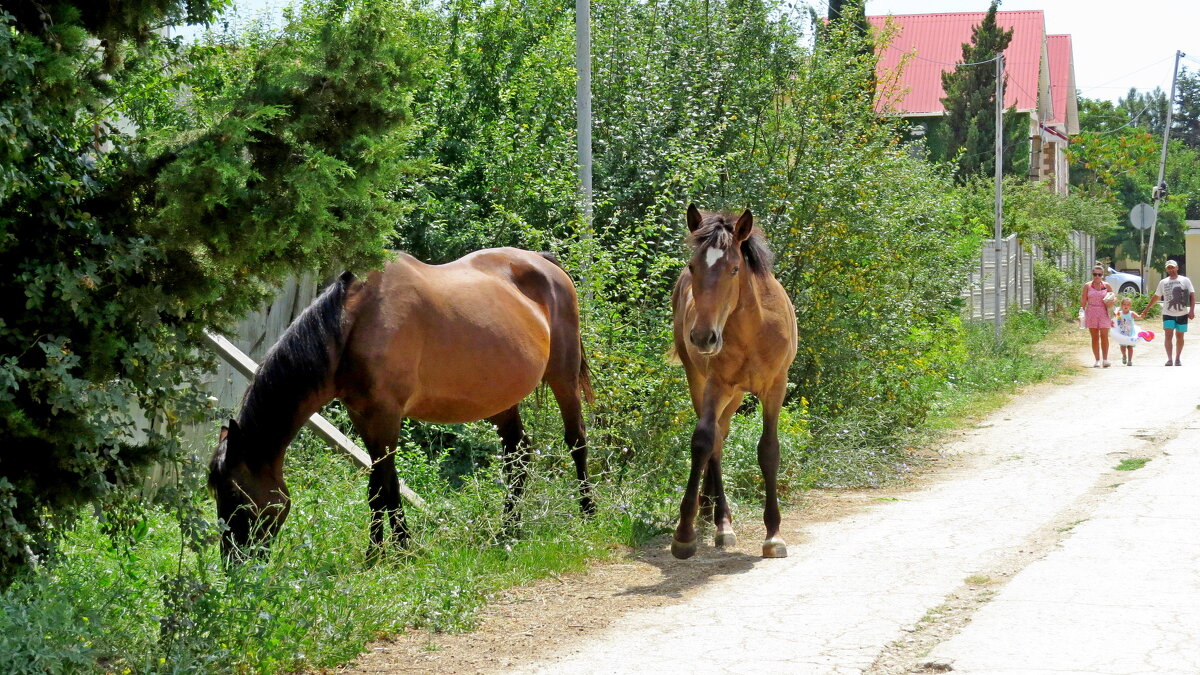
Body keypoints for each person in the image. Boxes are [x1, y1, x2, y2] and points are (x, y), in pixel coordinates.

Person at [1141, 259, 1195, 366]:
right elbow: (1156, 297)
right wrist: (1147, 309)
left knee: (1180, 337)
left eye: (1172, 267)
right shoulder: (1163, 282)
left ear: (1177, 268)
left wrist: (1192, 310)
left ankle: (1178, 358)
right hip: (1168, 314)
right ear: (1166, 269)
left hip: (1182, 313)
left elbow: (1192, 295)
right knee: (1168, 336)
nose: (1171, 269)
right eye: (1169, 267)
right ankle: (1169, 359)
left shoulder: (1185, 280)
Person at [1080, 263, 1115, 368]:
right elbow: (1083, 300)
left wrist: (1111, 302)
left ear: (1102, 275)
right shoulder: (1087, 286)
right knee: (1094, 337)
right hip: (1091, 311)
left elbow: (1113, 296)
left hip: (1104, 312)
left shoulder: (1106, 286)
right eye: (1095, 274)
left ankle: (1105, 359)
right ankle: (1097, 360)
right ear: (1092, 274)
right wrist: (1081, 313)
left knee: (1104, 335)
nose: (1097, 277)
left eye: (1099, 275)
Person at [1112, 296, 1143, 366]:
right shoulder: (1119, 313)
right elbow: (1115, 319)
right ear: (1122, 305)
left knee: (1130, 347)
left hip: (1130, 333)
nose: (1126, 306)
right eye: (1124, 304)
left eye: (1128, 305)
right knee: (1122, 346)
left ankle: (1129, 360)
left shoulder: (1131, 313)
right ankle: (1124, 355)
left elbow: (1138, 317)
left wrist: (1141, 315)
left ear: (1130, 306)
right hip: (1122, 333)